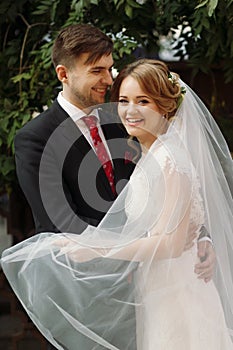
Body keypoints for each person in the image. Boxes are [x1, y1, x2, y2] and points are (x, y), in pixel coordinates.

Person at [1, 25, 217, 348]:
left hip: (156, 287)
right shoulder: (35, 139)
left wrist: (199, 237)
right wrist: (127, 254)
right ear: (64, 73)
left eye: (110, 68)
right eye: (97, 70)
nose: (108, 79)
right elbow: (59, 223)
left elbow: (170, 192)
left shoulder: (125, 122)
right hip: (92, 298)